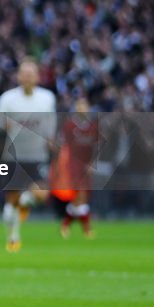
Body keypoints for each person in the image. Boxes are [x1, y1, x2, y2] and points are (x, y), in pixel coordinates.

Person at [0, 59, 57, 252]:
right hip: (13, 156)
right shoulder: (7, 99)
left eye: (31, 74)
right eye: (24, 73)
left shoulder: (47, 98)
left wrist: (51, 140)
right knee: (10, 201)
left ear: (38, 76)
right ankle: (13, 237)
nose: (28, 77)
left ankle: (25, 201)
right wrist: (3, 126)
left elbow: (50, 123)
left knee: (41, 193)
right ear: (19, 76)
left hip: (37, 155)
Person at [55, 96, 97, 239]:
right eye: (79, 105)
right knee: (80, 196)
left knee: (80, 199)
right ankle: (87, 229)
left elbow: (97, 147)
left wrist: (93, 163)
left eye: (84, 105)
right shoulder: (69, 126)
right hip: (72, 166)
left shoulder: (93, 126)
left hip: (87, 167)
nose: (81, 108)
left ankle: (65, 225)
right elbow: (63, 146)